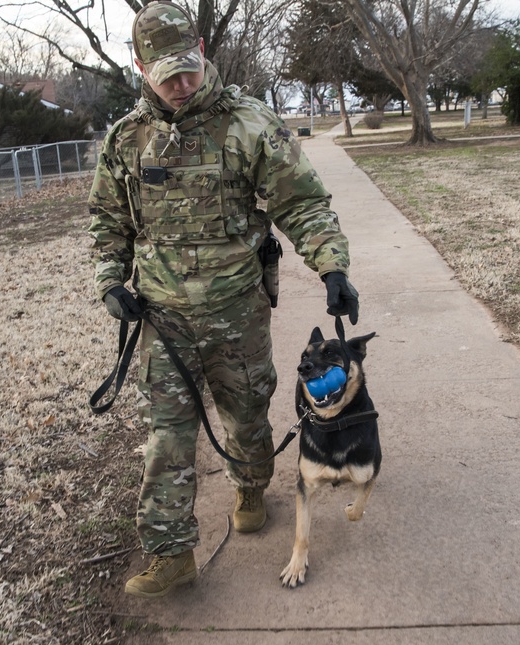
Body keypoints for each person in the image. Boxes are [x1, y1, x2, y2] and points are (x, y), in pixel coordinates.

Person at [88, 0, 360, 599]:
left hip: (238, 309)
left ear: (203, 52)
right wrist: (111, 280)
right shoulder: (127, 140)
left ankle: (250, 485)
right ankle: (170, 552)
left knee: (246, 415)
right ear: (139, 67)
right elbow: (108, 220)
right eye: (166, 76)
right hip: (164, 316)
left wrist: (331, 266)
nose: (181, 86)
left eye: (188, 69)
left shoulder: (250, 125)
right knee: (166, 433)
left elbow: (302, 204)